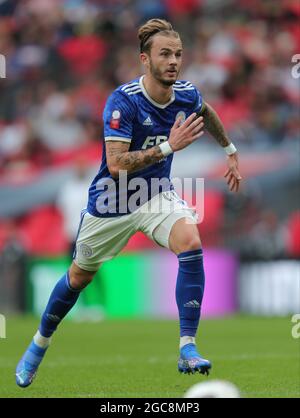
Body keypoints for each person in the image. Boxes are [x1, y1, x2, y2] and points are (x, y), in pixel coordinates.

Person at [16, 18, 242, 388]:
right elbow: (118, 165)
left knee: (191, 242)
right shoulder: (124, 102)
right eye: (164, 54)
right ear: (144, 59)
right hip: (112, 201)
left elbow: (207, 112)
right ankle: (39, 344)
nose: (173, 61)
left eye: (178, 54)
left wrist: (230, 150)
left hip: (155, 195)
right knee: (78, 277)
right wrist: (170, 146)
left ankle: (188, 347)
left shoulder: (185, 93)